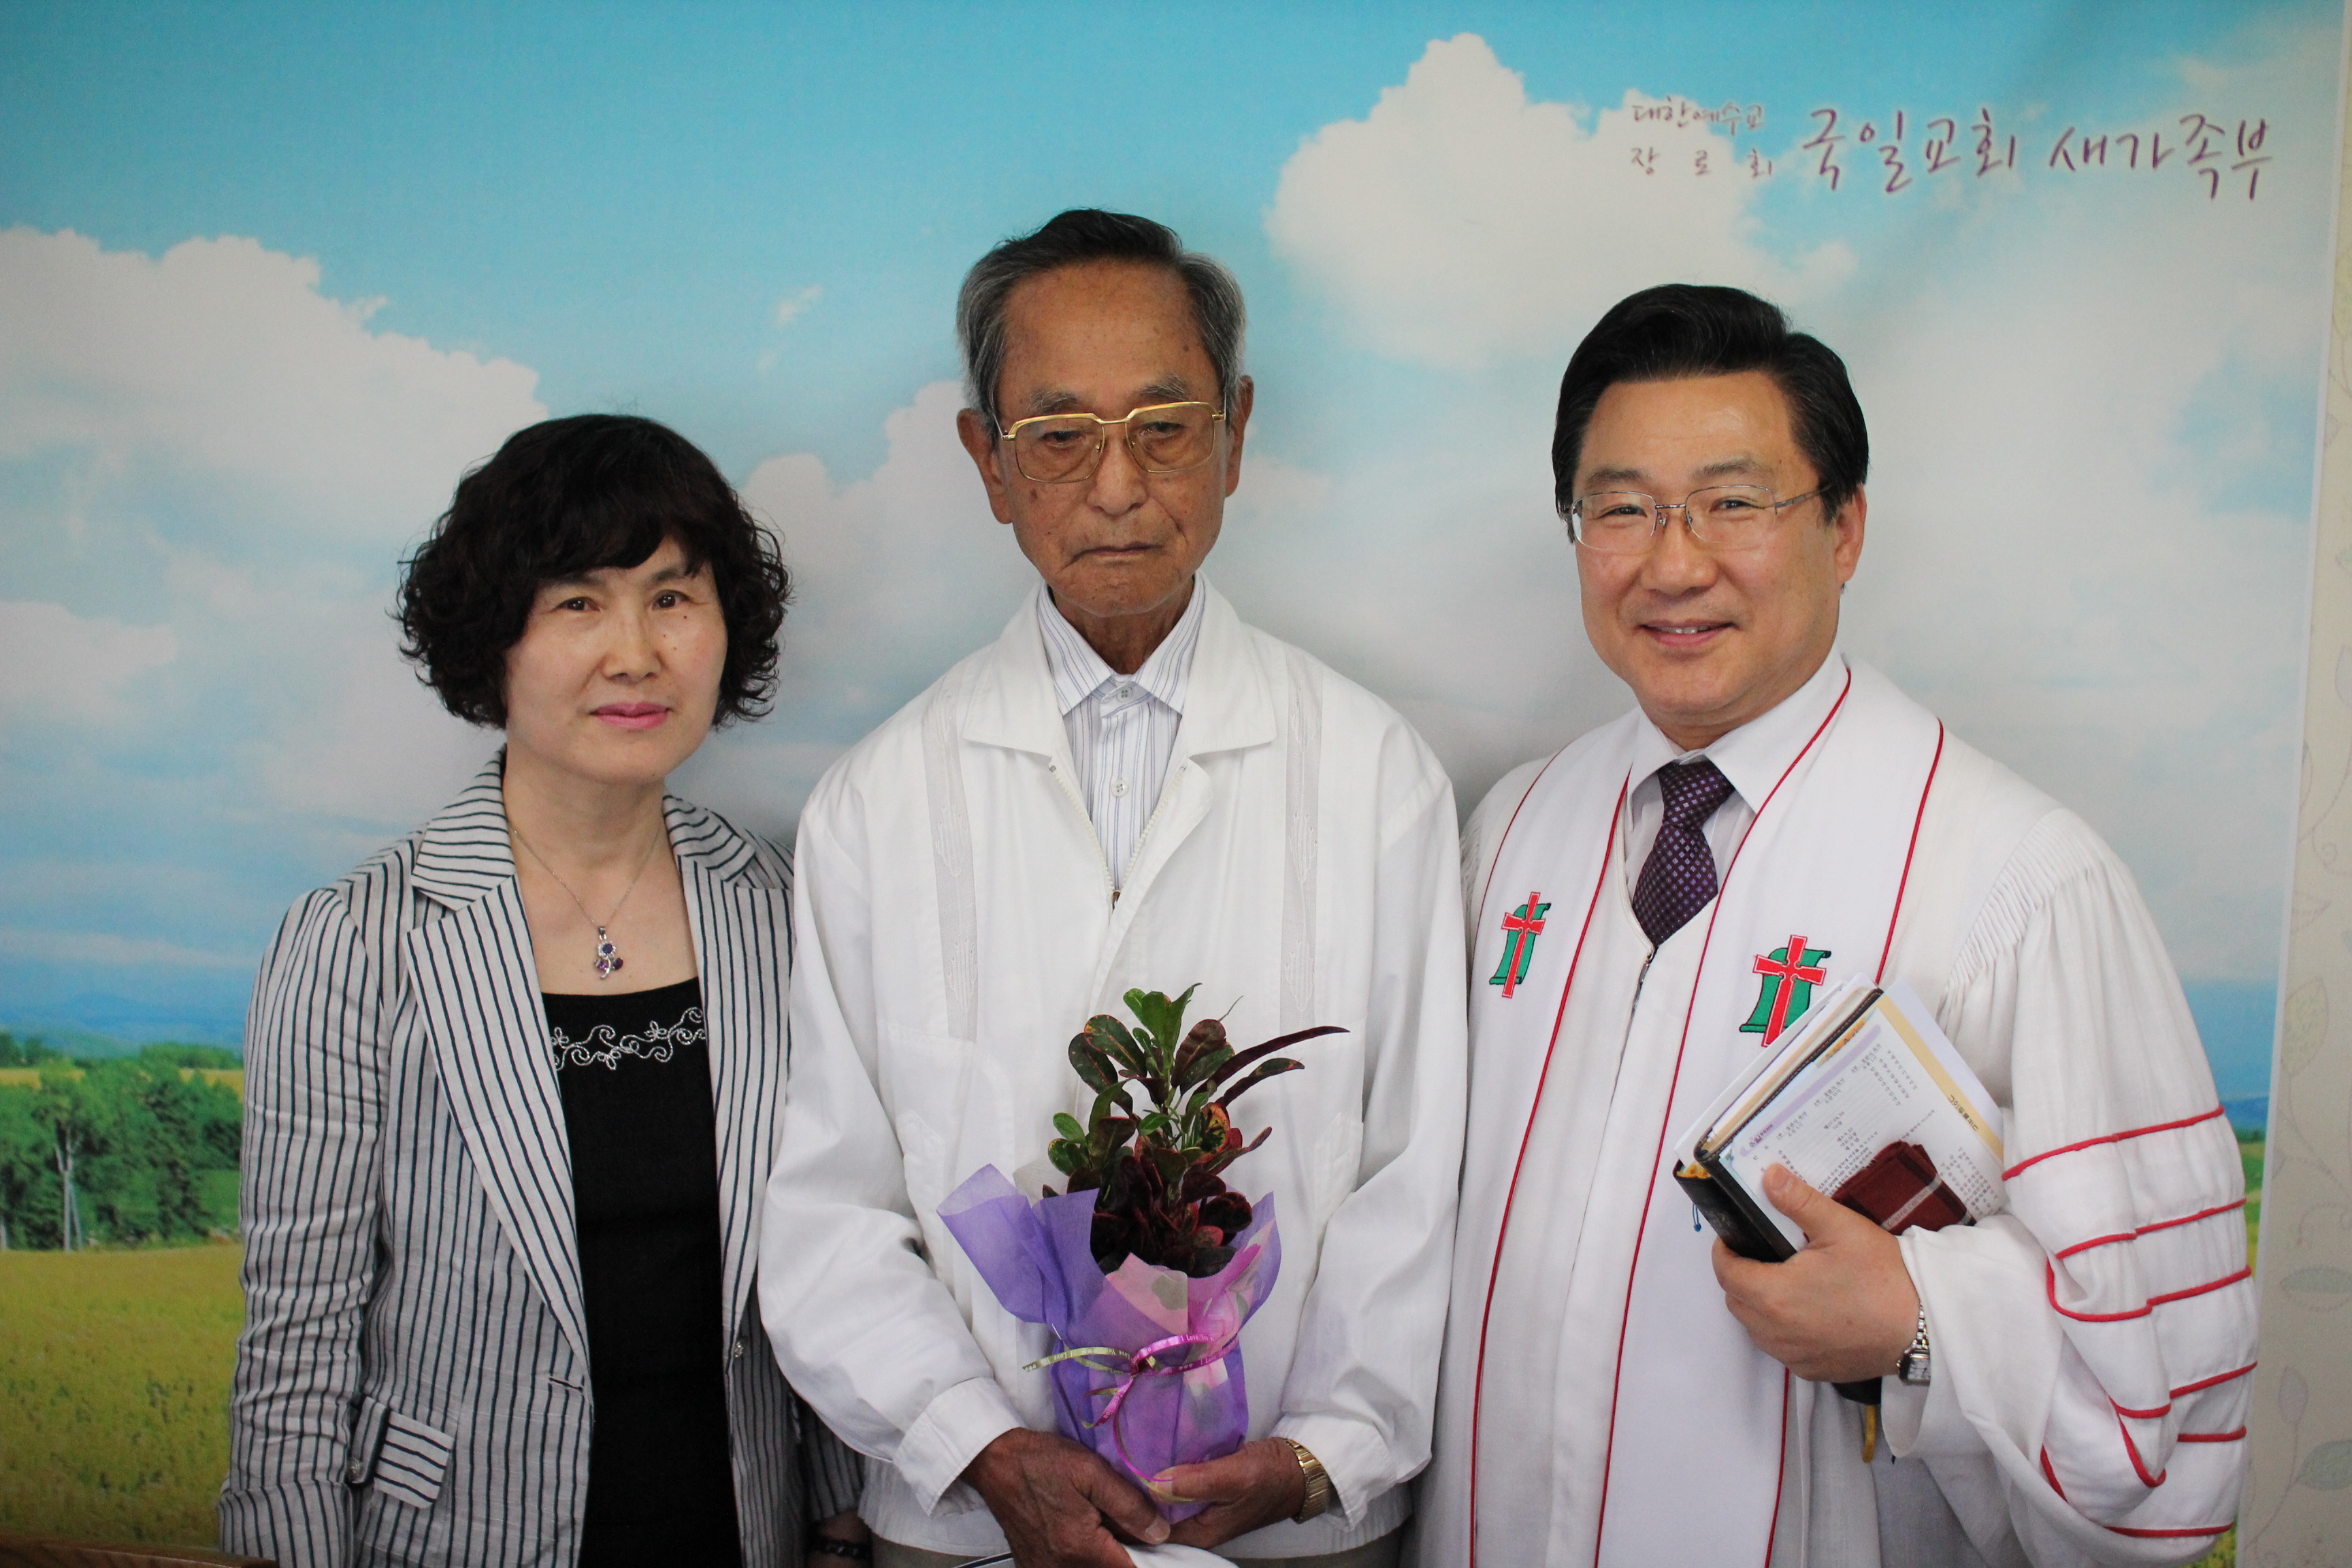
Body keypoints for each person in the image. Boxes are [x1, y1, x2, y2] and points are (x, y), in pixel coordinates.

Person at [1419, 286, 2255, 1568]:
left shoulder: (2019, 883)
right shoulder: (1511, 830)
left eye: (1735, 503)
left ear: (1845, 526)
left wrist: (1924, 1323)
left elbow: (2172, 1398)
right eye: (1623, 509)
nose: (1673, 564)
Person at [759, 210, 1469, 1568]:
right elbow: (830, 1205)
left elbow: (1416, 1169)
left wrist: (1326, 1451)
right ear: (989, 461)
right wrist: (981, 1446)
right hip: (972, 1526)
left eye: (1164, 424)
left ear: (1235, 434)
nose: (1119, 484)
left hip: (1292, 1528)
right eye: (1059, 434)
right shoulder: (877, 801)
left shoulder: (1377, 775)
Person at [220, 415, 864, 1568]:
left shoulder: (781, 909)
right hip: (449, 1540)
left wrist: (840, 1525)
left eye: (674, 597)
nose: (636, 653)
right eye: (578, 602)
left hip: (738, 1530)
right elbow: (297, 1351)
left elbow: (831, 1260)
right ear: (494, 637)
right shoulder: (359, 943)